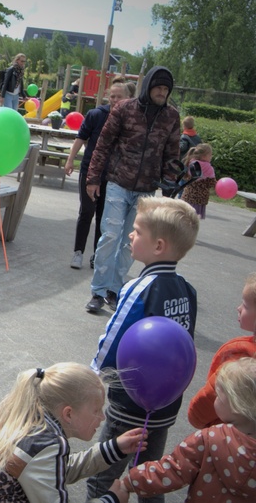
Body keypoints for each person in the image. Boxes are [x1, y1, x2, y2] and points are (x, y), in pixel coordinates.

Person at [87, 196, 200, 503]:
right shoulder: (187, 290)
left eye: (136, 231)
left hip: (129, 402)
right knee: (148, 477)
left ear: (159, 246)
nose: (130, 235)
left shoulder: (139, 287)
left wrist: (93, 375)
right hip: (164, 404)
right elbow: (185, 347)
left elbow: (114, 336)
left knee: (102, 475)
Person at [0, 362, 147, 503]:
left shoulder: (27, 422)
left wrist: (113, 449)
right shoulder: (48, 444)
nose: (102, 418)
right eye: (96, 410)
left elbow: (56, 473)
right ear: (69, 413)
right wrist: (111, 499)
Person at [84, 66, 181, 313]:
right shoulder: (124, 109)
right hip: (117, 182)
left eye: (166, 89)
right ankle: (97, 291)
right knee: (110, 236)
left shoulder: (171, 116)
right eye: (158, 87)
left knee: (132, 243)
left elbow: (172, 153)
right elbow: (103, 145)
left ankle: (113, 290)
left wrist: (170, 184)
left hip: (147, 189)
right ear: (148, 86)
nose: (162, 92)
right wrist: (93, 178)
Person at [113, 357, 256, 502]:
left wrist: (130, 481)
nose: (215, 400)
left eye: (219, 396)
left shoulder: (209, 439)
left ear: (237, 405)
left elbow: (172, 470)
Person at [64, 78, 133, 270]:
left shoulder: (129, 120)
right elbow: (81, 138)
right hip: (90, 171)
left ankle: (97, 255)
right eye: (112, 96)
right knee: (86, 211)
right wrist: (70, 160)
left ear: (127, 99)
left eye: (119, 97)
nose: (114, 100)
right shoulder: (96, 115)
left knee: (104, 216)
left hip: (112, 175)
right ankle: (78, 252)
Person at [187, 272, 256, 429]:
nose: (238, 308)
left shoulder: (240, 359)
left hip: (228, 440)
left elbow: (207, 402)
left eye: (245, 305)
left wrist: (195, 417)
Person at [179, 143, 216, 218]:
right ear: (203, 156)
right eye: (210, 155)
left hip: (187, 196)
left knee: (183, 218)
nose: (211, 157)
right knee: (193, 221)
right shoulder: (208, 168)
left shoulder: (191, 162)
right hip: (199, 199)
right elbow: (211, 183)